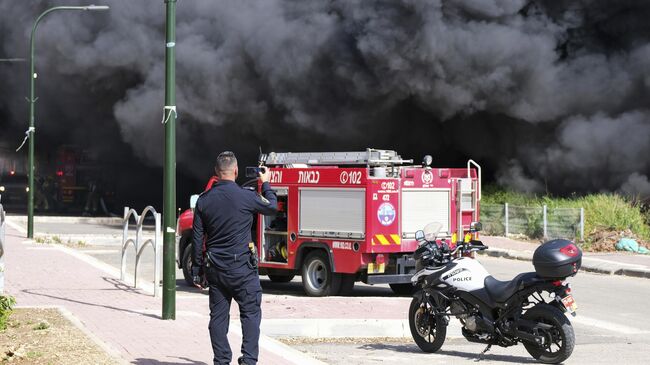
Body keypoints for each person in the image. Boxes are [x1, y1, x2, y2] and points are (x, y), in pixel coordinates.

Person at [191, 151, 277, 365]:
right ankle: (248, 361)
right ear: (236, 171)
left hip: (216, 270)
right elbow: (272, 206)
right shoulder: (247, 196)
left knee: (218, 318)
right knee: (250, 315)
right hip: (243, 271)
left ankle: (221, 361)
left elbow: (197, 238)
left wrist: (197, 270)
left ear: (216, 173)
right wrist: (265, 183)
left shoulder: (204, 201)